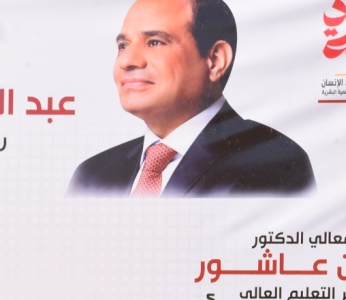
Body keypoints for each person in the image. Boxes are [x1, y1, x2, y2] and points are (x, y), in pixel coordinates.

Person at [67, 0, 315, 197]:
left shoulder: (272, 161)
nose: (126, 61)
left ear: (215, 60)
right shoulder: (92, 175)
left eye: (155, 42)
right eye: (123, 45)